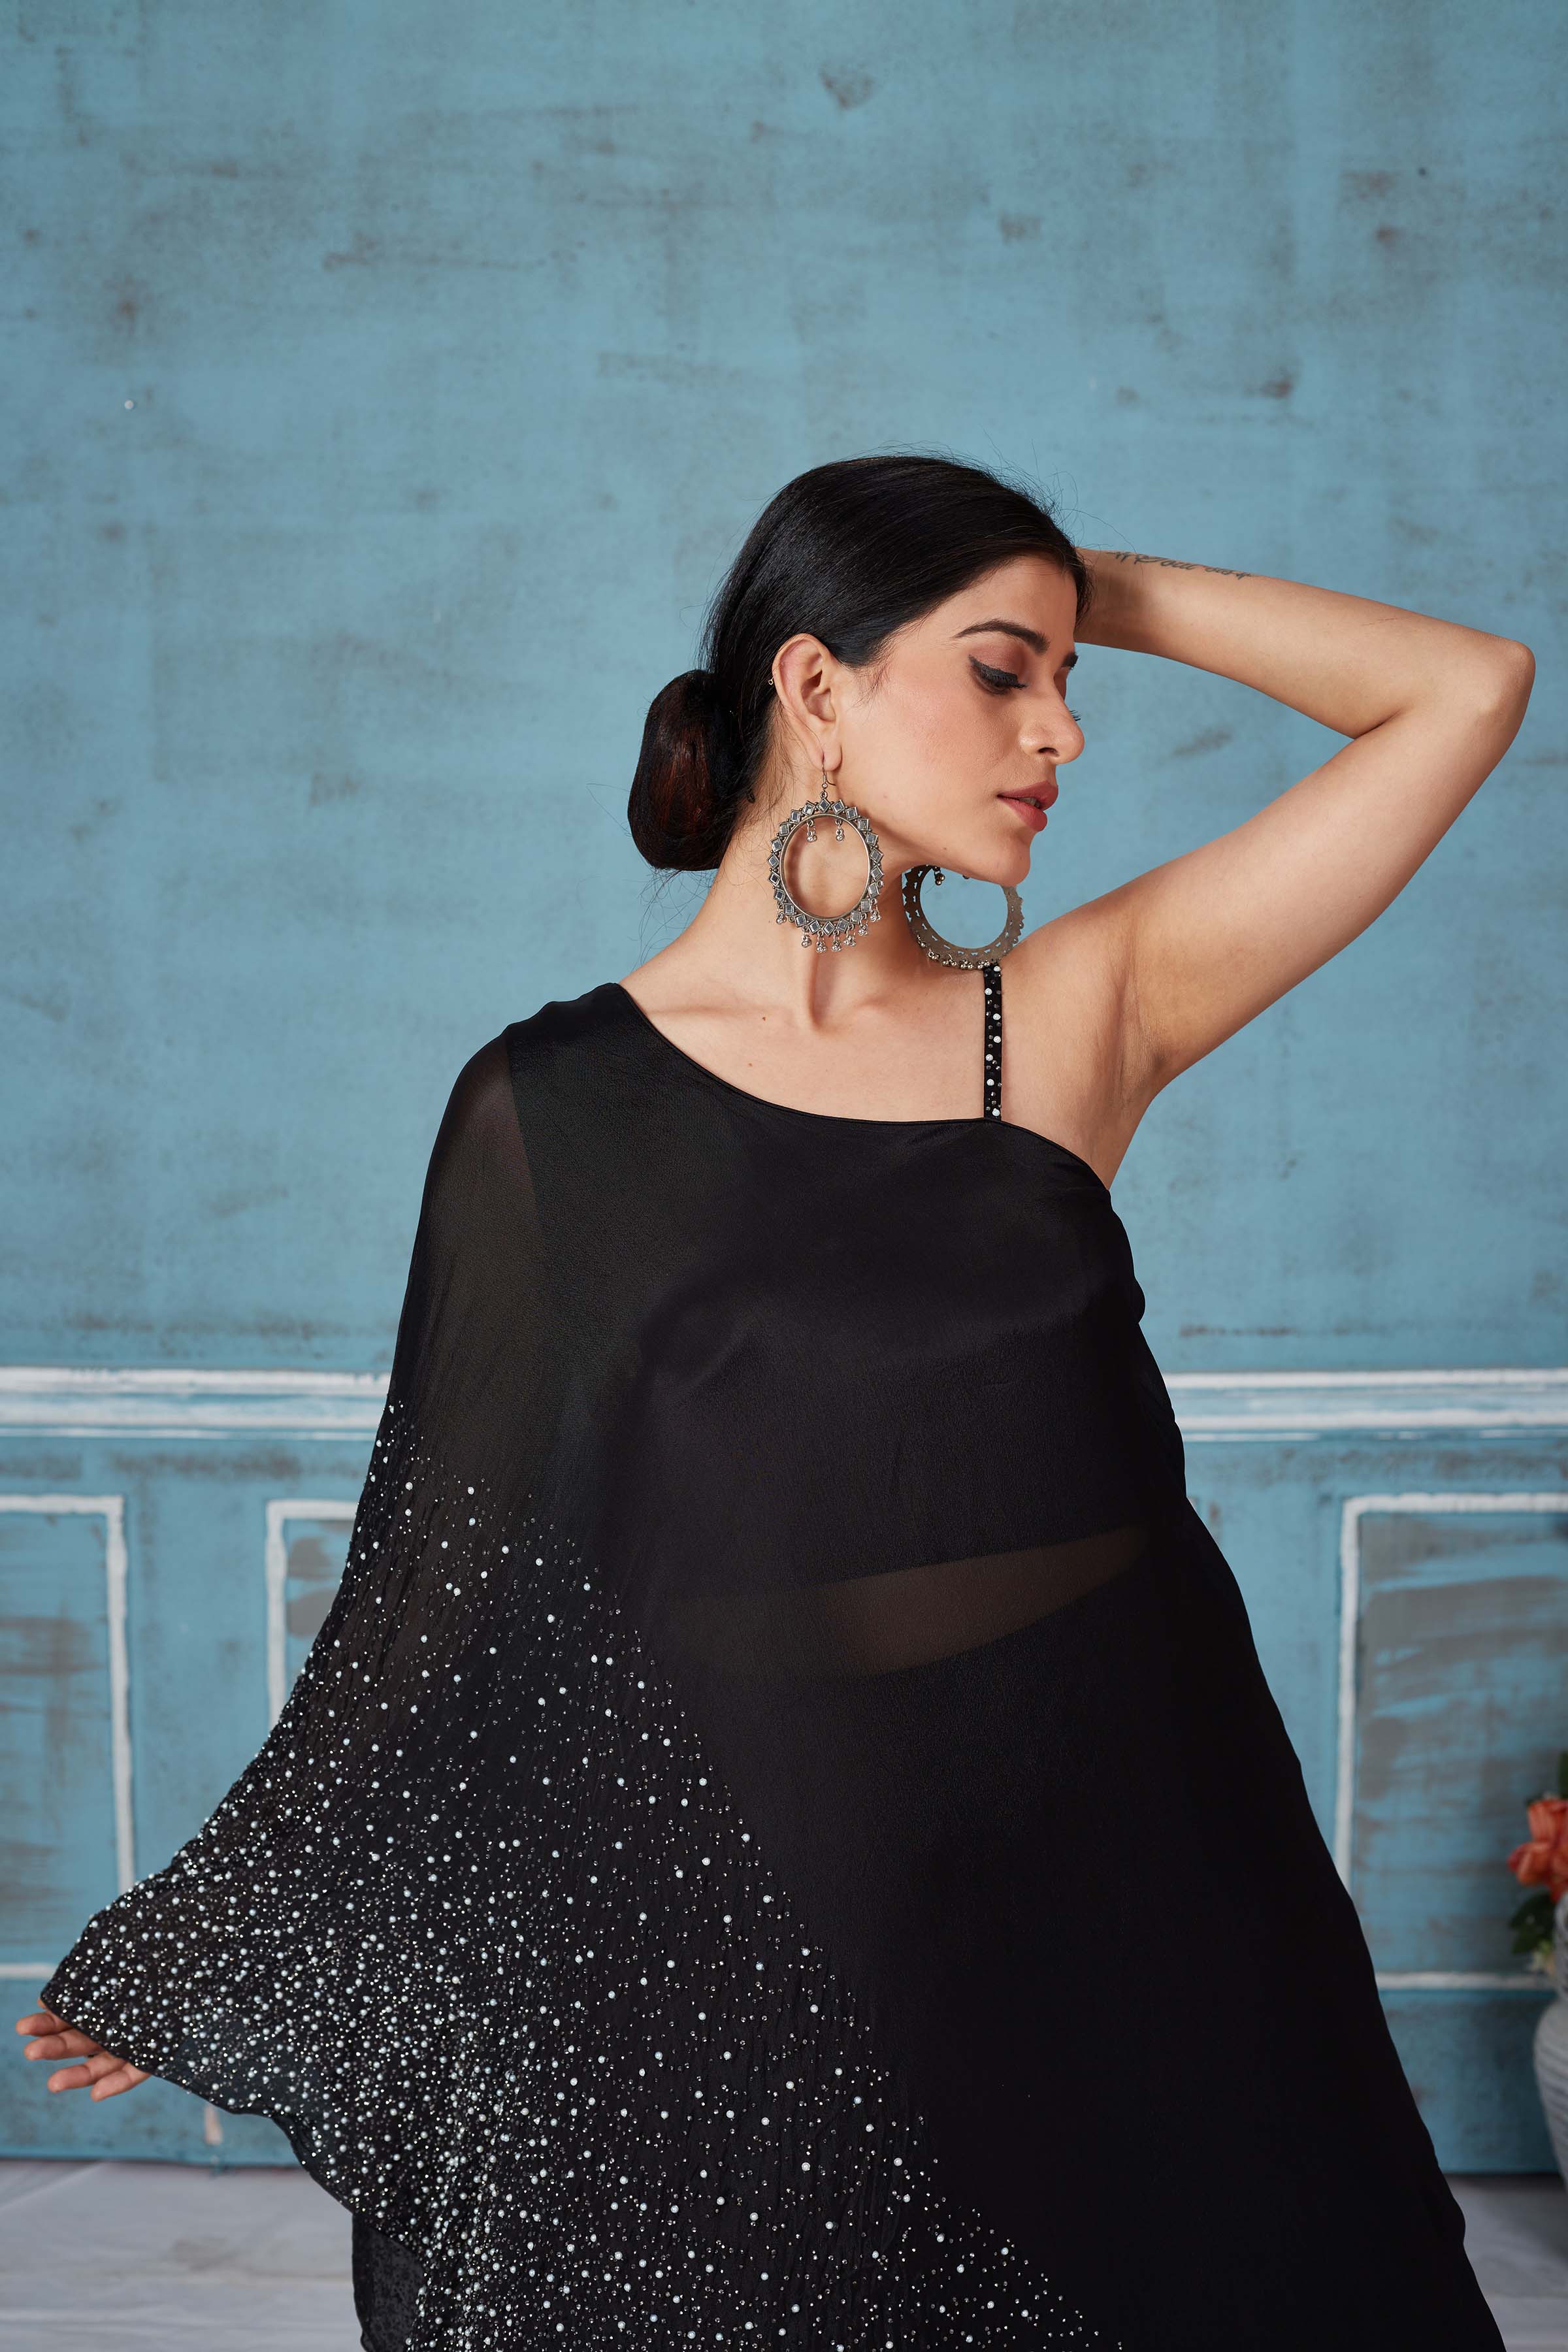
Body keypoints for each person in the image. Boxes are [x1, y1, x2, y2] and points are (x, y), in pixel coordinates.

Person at [16, 454, 1532, 2350]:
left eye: (1072, 680)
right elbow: (441, 1583)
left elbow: (1465, 688)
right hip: (758, 1907)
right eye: (1003, 671)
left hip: (1132, 1868)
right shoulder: (551, 1108)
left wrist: (1082, 587)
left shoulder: (1073, 1017)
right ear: (816, 682)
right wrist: (221, 1942)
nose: (1064, 731)